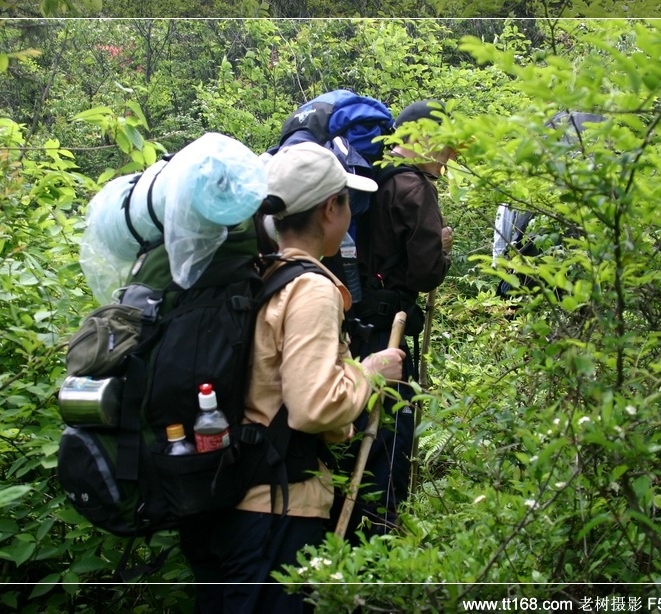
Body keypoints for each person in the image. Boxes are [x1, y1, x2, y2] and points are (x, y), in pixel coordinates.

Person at [178, 142, 405, 613]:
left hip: (222, 501)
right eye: (348, 201)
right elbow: (312, 406)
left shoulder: (259, 275)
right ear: (330, 209)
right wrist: (370, 372)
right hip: (276, 513)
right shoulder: (311, 287)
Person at [331, 99, 456, 541]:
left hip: (348, 323)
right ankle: (378, 535)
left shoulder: (367, 179)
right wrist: (440, 251)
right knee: (390, 429)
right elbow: (424, 273)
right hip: (390, 328)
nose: (445, 159)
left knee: (353, 417)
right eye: (441, 147)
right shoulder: (414, 188)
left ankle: (340, 528)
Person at [492, 111, 607, 300]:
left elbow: (505, 213)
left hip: (529, 264)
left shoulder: (532, 173)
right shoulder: (596, 178)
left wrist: (499, 257)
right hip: (577, 268)